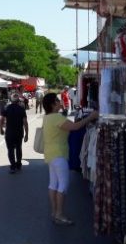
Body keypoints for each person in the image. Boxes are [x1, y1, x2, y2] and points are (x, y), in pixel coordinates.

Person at [41, 93, 98, 225]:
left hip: (50, 154)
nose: (60, 102)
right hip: (59, 155)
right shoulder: (57, 117)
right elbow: (75, 127)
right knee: (63, 184)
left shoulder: (47, 117)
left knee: (53, 184)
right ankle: (59, 214)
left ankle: (55, 212)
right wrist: (91, 117)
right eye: (57, 100)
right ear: (52, 104)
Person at [0, 92, 28, 173]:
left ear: (11, 100)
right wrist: (27, 134)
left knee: (10, 149)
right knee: (19, 148)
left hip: (9, 133)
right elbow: (25, 122)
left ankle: (13, 166)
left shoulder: (7, 108)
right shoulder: (21, 109)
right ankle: (18, 164)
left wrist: (1, 129)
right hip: (19, 132)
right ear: (18, 100)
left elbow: (1, 120)